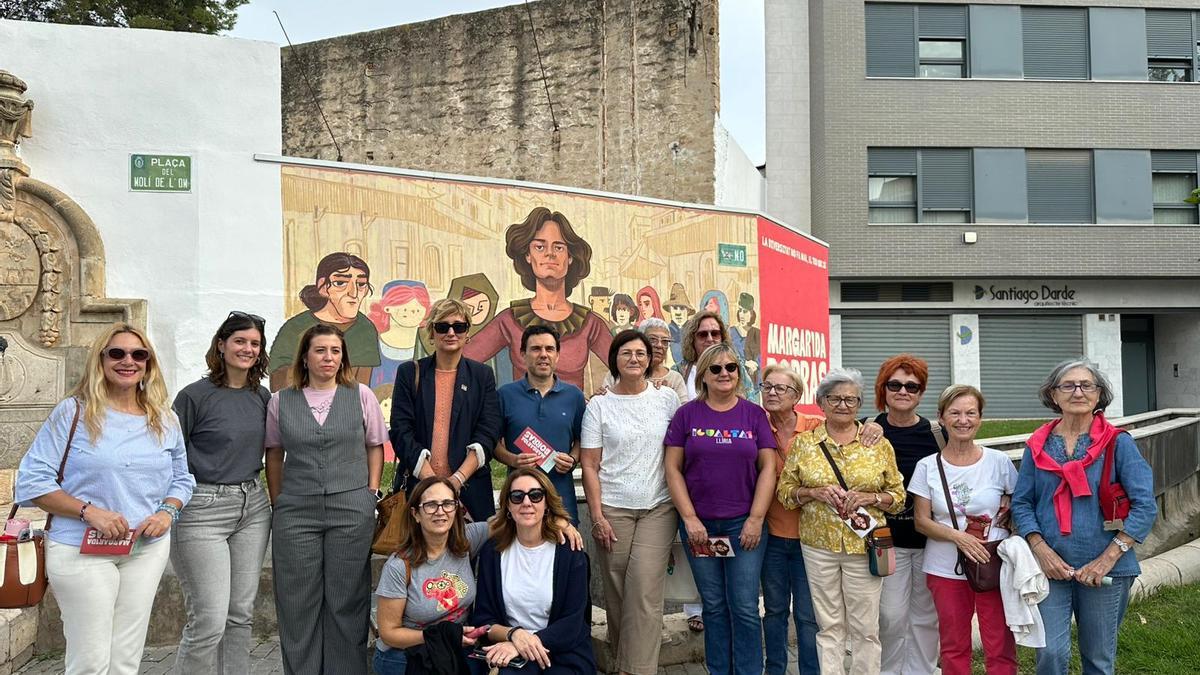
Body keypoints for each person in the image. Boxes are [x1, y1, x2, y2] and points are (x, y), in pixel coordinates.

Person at [16, 324, 195, 675]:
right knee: (90, 661)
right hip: (80, 549)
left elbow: (182, 478)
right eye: (117, 353)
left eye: (138, 354)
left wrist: (167, 512)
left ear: (148, 364)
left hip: (145, 548)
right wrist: (88, 511)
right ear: (101, 360)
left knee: (125, 658)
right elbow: (32, 481)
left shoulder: (164, 418)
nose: (128, 361)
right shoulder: (73, 413)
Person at [1011, 359, 1157, 675]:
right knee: (1049, 654)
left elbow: (1145, 506)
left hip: (1108, 570)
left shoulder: (1119, 443)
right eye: (1068, 385)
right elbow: (1021, 504)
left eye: (1086, 385)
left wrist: (1107, 558)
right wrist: (1041, 550)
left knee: (1098, 659)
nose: (1078, 391)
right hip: (1051, 568)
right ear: (1053, 394)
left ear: (1098, 394)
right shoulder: (1037, 446)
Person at [265, 323, 387, 674]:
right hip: (296, 509)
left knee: (346, 598)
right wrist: (279, 501)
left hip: (351, 507)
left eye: (335, 351)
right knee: (297, 600)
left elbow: (374, 446)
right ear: (305, 355)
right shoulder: (280, 401)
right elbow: (274, 453)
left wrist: (371, 493)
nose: (328, 357)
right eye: (320, 350)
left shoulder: (360, 394)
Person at [374, 477, 585, 675]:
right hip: (406, 655)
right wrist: (443, 636)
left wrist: (560, 521)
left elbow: (518, 516)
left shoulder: (466, 541)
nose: (440, 511)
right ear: (415, 514)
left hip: (454, 650)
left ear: (456, 509)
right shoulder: (399, 566)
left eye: (448, 503)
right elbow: (389, 633)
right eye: (430, 505)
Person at [776, 368, 905, 675]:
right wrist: (813, 492)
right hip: (818, 546)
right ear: (821, 402)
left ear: (860, 404)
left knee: (865, 627)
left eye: (851, 399)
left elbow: (898, 498)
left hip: (865, 546)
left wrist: (870, 499)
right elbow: (785, 492)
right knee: (829, 625)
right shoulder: (805, 443)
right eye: (835, 398)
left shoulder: (877, 443)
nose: (843, 405)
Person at [665, 343, 777, 675]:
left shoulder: (754, 414)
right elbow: (672, 468)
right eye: (715, 368)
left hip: (743, 524)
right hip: (700, 526)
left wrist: (756, 520)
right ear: (703, 375)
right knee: (713, 606)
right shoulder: (687, 415)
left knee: (743, 606)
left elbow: (768, 468)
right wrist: (690, 519)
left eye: (730, 367)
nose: (724, 373)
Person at [170, 312, 273, 674]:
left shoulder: (262, 396)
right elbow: (169, 454)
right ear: (221, 344)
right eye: (240, 341)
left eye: (254, 343)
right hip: (202, 509)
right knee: (209, 619)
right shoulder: (193, 397)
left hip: (253, 506)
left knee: (240, 614)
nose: (247, 348)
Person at [581, 330, 681, 675]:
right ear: (615, 359)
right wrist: (597, 516)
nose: (635, 359)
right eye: (627, 353)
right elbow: (590, 465)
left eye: (641, 353)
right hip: (612, 508)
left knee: (643, 589)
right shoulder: (599, 405)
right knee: (618, 590)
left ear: (651, 359)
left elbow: (680, 451)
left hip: (658, 506)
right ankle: (627, 660)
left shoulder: (667, 400)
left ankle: (634, 670)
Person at [910, 385, 1019, 675]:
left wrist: (1010, 509)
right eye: (955, 413)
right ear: (941, 418)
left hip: (992, 562)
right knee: (953, 645)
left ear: (980, 418)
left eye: (971, 413)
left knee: (1000, 642)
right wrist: (959, 537)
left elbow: (1021, 503)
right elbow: (921, 520)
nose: (963, 420)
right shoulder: (927, 466)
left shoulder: (999, 462)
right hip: (945, 567)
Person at [464, 207, 612, 389]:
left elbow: (629, 365)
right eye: (539, 247)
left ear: (570, 257)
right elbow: (461, 360)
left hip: (573, 416)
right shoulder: (509, 319)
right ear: (527, 255)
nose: (550, 253)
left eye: (558, 247)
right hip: (522, 416)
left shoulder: (590, 324)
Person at [472, 469, 596, 674]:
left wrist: (526, 642)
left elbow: (573, 622)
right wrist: (514, 636)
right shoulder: (492, 553)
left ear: (547, 503)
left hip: (563, 652)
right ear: (508, 506)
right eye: (517, 496)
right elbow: (484, 620)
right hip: (510, 652)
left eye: (536, 495)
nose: (527, 502)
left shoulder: (570, 553)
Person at [390, 297, 502, 521]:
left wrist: (456, 481)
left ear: (467, 333)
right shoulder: (409, 373)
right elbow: (401, 430)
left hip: (471, 491)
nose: (451, 332)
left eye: (459, 327)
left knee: (472, 554)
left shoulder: (482, 376)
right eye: (442, 327)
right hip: (420, 490)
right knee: (421, 555)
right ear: (431, 333)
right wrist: (433, 484)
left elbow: (488, 432)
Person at [872, 355, 942, 675]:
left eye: (912, 386)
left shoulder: (937, 435)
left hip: (931, 541)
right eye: (895, 384)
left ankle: (922, 671)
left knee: (926, 617)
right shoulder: (868, 433)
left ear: (921, 392)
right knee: (890, 615)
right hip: (887, 541)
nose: (903, 391)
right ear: (883, 389)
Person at [759, 365, 823, 675]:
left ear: (796, 395)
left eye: (780, 388)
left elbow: (851, 435)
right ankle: (775, 670)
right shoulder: (757, 427)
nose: (771, 392)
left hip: (810, 538)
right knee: (774, 612)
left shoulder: (816, 427)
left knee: (808, 616)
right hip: (771, 536)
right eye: (767, 387)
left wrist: (871, 428)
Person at [495, 325, 587, 522]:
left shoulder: (574, 396)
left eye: (549, 349)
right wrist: (512, 460)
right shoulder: (505, 395)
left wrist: (572, 459)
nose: (543, 355)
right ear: (523, 354)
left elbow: (582, 440)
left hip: (562, 500)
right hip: (520, 500)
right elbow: (492, 443)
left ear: (558, 355)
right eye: (536, 349)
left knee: (565, 550)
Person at [269, 251, 381, 389]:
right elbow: (278, 379)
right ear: (323, 287)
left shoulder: (365, 328)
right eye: (341, 283)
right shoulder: (296, 327)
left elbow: (362, 385)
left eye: (361, 284)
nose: (353, 293)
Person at [601, 318, 687, 402]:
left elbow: (683, 413)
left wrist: (668, 396)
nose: (659, 345)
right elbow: (604, 401)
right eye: (653, 339)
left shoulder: (675, 379)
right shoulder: (618, 375)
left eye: (665, 341)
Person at [368, 280, 432, 388]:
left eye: (417, 308)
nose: (411, 312)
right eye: (403, 306)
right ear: (387, 308)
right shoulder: (372, 345)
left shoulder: (430, 345)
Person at [662, 283, 694, 366]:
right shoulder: (665, 332)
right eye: (675, 308)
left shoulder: (695, 331)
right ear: (670, 310)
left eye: (682, 308)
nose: (678, 313)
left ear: (688, 311)